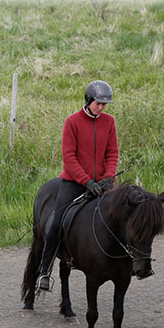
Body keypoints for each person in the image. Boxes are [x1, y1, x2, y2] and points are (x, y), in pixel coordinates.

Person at [36, 80, 119, 291]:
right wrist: (86, 181)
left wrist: (108, 177)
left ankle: (129, 262)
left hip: (103, 183)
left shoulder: (109, 122)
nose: (101, 107)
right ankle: (45, 271)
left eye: (104, 104)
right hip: (74, 182)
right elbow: (69, 157)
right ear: (89, 100)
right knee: (56, 223)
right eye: (98, 103)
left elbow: (112, 153)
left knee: (122, 214)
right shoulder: (72, 122)